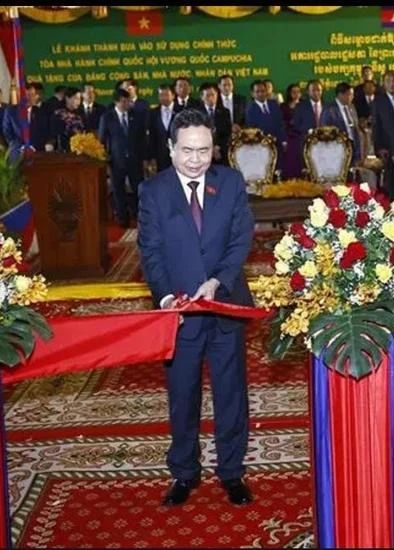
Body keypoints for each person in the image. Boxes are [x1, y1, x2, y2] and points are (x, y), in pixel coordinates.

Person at [137, 108, 255, 508]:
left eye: (204, 150)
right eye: (187, 150)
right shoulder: (153, 191)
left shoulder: (232, 182)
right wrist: (167, 297)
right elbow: (150, 252)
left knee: (230, 392)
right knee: (182, 394)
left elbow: (241, 240)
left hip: (224, 306)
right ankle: (184, 473)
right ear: (171, 149)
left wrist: (218, 281)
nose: (195, 159)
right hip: (180, 313)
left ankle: (232, 472)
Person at [98, 88, 146, 226]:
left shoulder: (136, 115)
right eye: (124, 102)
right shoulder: (107, 117)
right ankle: (122, 218)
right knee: (118, 190)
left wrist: (144, 158)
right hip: (116, 161)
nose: (127, 104)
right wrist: (105, 161)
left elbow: (142, 138)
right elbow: (102, 141)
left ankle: (139, 216)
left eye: (128, 101)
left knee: (138, 189)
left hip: (135, 160)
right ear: (116, 102)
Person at [372, 70, 394, 200]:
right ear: (383, 84)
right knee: (392, 185)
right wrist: (379, 148)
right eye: (388, 81)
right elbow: (376, 127)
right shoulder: (378, 102)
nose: (391, 84)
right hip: (388, 150)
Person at [320, 82, 361, 166]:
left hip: (353, 147)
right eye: (350, 95)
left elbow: (355, 128)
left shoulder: (352, 107)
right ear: (340, 95)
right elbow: (326, 131)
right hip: (337, 149)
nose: (352, 97)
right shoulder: (329, 109)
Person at [147, 83, 177, 173]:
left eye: (166, 95)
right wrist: (152, 157)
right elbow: (151, 136)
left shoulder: (181, 111)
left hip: (177, 155)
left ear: (173, 95)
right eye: (161, 95)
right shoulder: (153, 113)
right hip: (160, 156)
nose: (163, 97)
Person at [49, 86, 85, 152]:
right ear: (67, 98)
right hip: (64, 150)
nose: (78, 102)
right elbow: (55, 134)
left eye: (80, 99)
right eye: (76, 98)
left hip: (81, 149)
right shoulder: (58, 114)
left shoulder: (81, 113)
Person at [280, 82, 303, 178]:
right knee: (290, 160)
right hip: (289, 137)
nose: (296, 94)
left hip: (301, 136)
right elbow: (281, 122)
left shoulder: (304, 105)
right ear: (289, 93)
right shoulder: (283, 106)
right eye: (293, 92)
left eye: (298, 92)